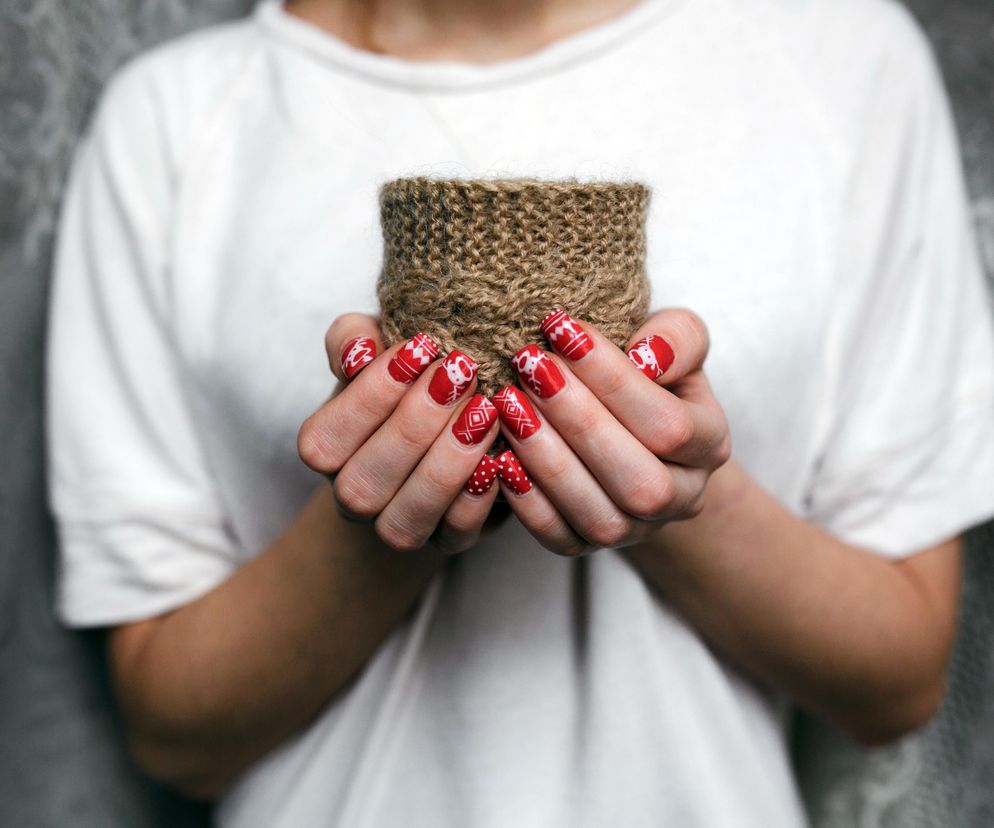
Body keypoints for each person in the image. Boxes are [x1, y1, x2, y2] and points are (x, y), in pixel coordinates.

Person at [44, 0, 994, 825]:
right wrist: (386, 525)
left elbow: (898, 680)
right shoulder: (176, 120)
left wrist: (666, 489)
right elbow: (172, 733)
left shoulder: (845, 67)